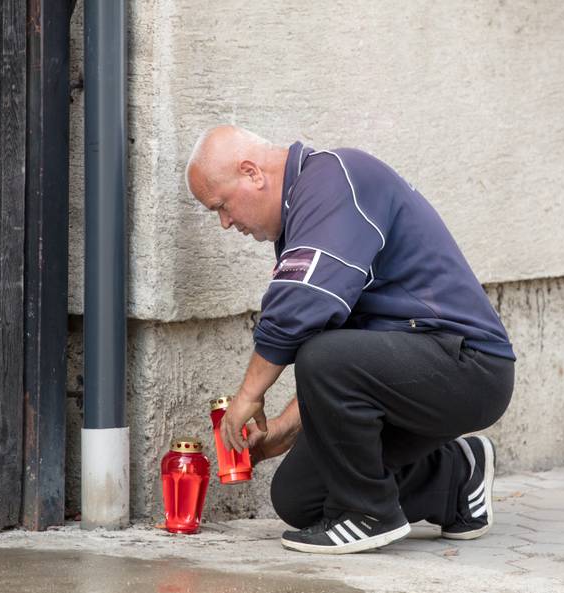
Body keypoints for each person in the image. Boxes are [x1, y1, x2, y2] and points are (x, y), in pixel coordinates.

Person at [185, 125, 515, 554]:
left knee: (320, 355)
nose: (226, 223)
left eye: (222, 207)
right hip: (412, 368)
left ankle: (371, 515)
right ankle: (457, 475)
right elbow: (347, 354)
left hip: (470, 364)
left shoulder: (334, 180)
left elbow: (302, 314)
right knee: (300, 496)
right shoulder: (307, 214)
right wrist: (284, 430)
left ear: (251, 172)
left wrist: (250, 394)